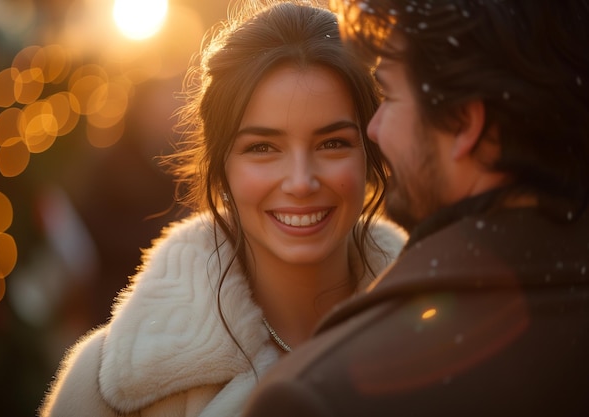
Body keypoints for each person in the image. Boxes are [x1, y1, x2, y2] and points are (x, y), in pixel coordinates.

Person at [37, 1, 407, 416]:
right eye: (263, 148)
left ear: (372, 150)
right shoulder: (108, 386)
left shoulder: (446, 339)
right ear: (221, 167)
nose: (301, 182)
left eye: (333, 143)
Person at [241, 0, 589, 416]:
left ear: (462, 121)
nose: (375, 128)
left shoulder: (322, 394)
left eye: (388, 95)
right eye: (262, 147)